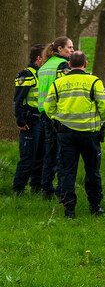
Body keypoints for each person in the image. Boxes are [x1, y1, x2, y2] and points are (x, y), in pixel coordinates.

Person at [43, 51, 105, 218]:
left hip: (66, 134)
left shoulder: (58, 83)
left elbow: (48, 107)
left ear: (69, 64)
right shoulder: (94, 81)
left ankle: (69, 210)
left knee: (67, 171)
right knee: (92, 170)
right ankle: (95, 207)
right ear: (85, 64)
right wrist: (99, 119)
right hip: (90, 134)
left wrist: (57, 118)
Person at [36, 36, 74, 199]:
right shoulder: (62, 65)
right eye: (70, 47)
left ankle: (46, 188)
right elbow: (65, 87)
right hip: (57, 113)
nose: (72, 50)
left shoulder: (44, 66)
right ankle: (61, 189)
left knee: (49, 151)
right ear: (60, 49)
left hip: (44, 112)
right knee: (61, 151)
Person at [12, 44, 46, 194]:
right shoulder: (26, 74)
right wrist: (20, 120)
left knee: (40, 157)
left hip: (41, 121)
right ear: (39, 58)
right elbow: (18, 100)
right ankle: (18, 189)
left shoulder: (41, 74)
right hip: (29, 122)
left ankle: (36, 187)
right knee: (28, 158)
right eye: (45, 57)